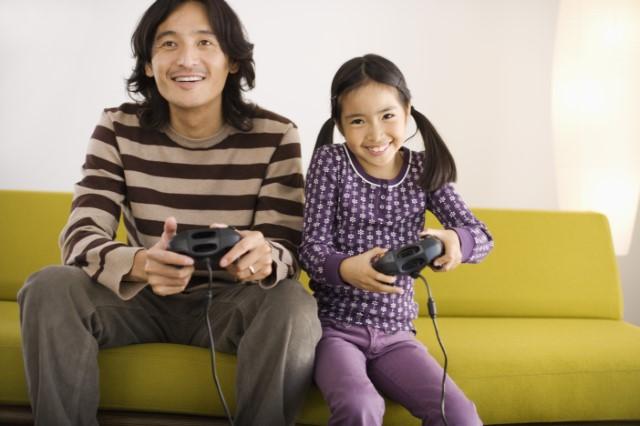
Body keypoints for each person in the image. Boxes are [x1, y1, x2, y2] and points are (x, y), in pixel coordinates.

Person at [17, 1, 321, 425]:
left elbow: (287, 248)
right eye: (168, 44)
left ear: (232, 60)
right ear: (148, 63)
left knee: (293, 304)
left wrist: (262, 256)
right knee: (48, 286)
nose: (186, 59)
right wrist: (141, 264)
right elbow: (81, 234)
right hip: (139, 299)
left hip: (231, 303)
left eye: (204, 43)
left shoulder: (276, 134)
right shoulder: (116, 127)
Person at [299, 53, 494, 426]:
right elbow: (310, 250)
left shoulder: (422, 169)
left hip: (397, 335)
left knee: (460, 415)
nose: (375, 134)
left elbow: (482, 236)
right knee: (361, 405)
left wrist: (456, 240)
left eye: (387, 115)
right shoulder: (331, 163)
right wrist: (345, 268)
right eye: (358, 121)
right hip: (334, 331)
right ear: (340, 125)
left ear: (407, 111)